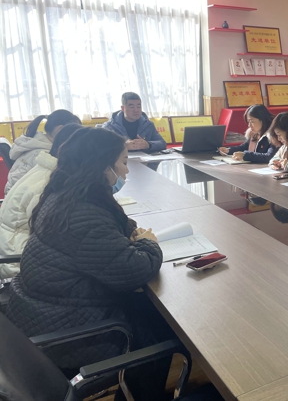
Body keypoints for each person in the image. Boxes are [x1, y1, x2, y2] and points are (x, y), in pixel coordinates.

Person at [6, 128, 170, 400]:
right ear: (103, 166)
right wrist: (149, 243)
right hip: (71, 333)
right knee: (162, 329)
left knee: (150, 309)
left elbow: (109, 226)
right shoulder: (82, 213)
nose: (127, 171)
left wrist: (128, 232)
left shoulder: (65, 195)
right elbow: (135, 270)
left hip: (47, 312)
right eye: (123, 162)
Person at [0, 123, 84, 278]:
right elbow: (54, 236)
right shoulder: (49, 184)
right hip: (20, 262)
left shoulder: (44, 169)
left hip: (13, 247)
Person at [5, 109, 81, 194]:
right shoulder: (44, 154)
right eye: (74, 133)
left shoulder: (33, 142)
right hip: (24, 198)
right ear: (60, 129)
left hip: (15, 196)